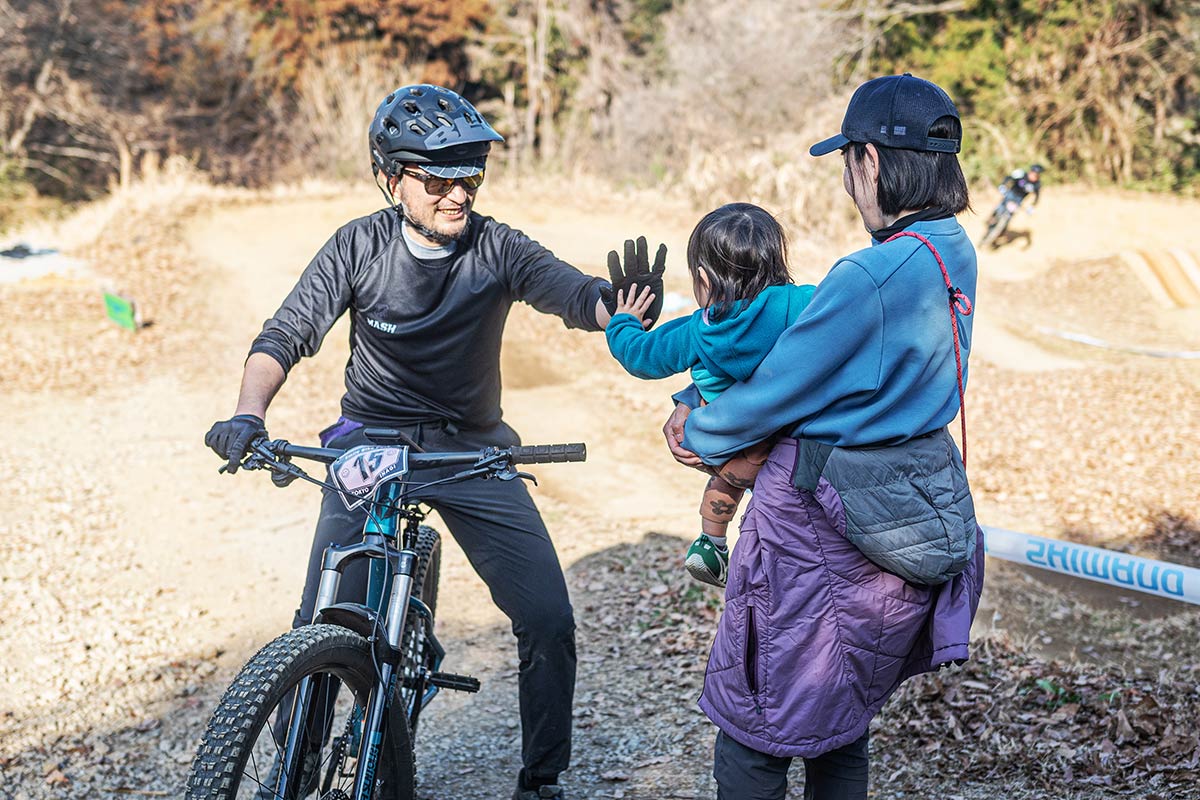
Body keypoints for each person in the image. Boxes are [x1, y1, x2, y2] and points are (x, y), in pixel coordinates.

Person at [203, 83, 665, 800]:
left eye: (471, 176)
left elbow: (574, 295)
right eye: (438, 178)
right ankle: (295, 767)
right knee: (320, 616)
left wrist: (620, 307)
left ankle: (542, 780)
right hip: (371, 443)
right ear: (392, 178)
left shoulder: (497, 246)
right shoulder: (359, 244)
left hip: (471, 449)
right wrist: (247, 414)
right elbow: (285, 335)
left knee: (548, 618)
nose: (459, 194)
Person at [660, 74, 986, 799]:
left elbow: (777, 389)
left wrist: (698, 428)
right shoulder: (951, 247)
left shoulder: (867, 275)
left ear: (870, 161)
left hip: (815, 528)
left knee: (753, 730)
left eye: (847, 163)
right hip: (899, 508)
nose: (846, 182)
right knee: (842, 718)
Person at [604, 203, 815, 588]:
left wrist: (623, 322)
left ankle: (712, 541)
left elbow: (641, 356)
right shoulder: (800, 303)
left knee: (724, 484)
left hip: (728, 450)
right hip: (789, 444)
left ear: (702, 277)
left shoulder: (696, 332)